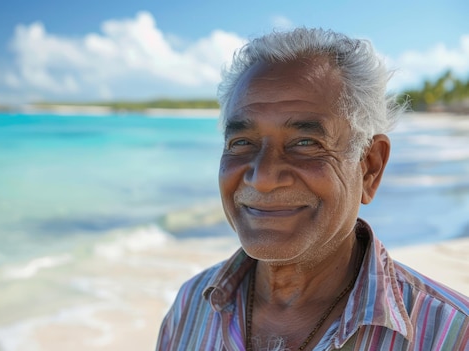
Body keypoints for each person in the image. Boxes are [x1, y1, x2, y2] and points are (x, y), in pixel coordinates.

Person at [156, 28, 469, 351]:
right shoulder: (190, 307)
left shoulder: (453, 335)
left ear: (370, 167)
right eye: (242, 143)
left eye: (305, 143)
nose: (262, 177)